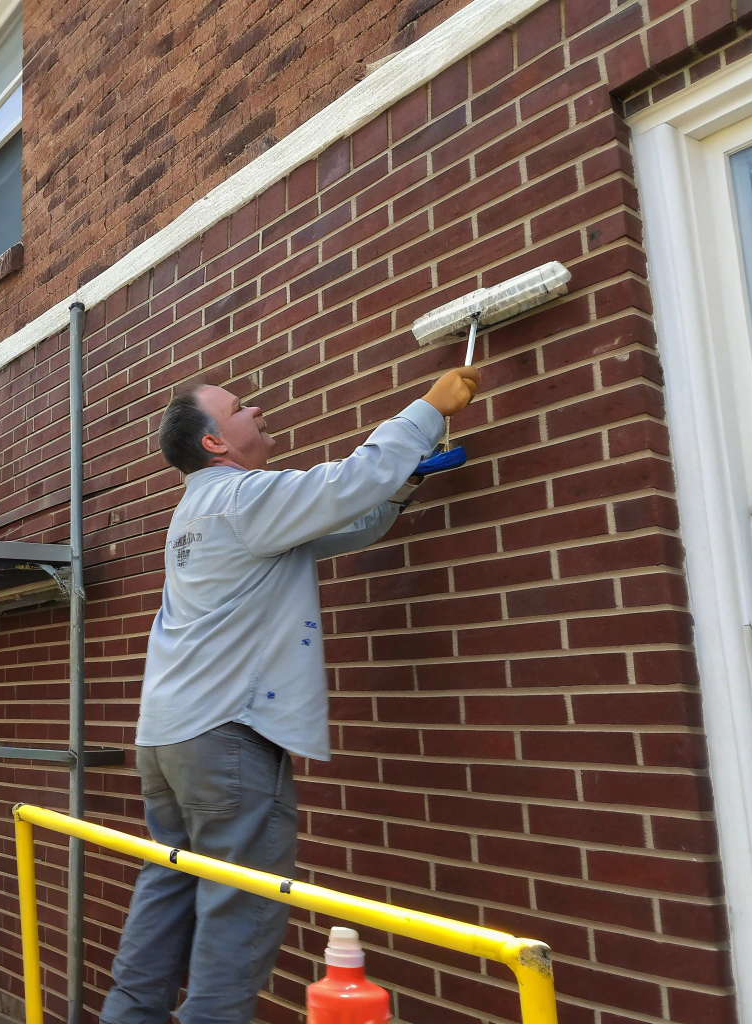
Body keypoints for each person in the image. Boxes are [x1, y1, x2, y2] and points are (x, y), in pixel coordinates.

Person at [99, 366, 482, 1024]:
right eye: (240, 407)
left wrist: (397, 489)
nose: (257, 410)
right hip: (225, 739)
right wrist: (427, 409)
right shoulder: (242, 498)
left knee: (168, 887)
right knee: (237, 911)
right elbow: (346, 483)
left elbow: (342, 525)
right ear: (215, 443)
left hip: (168, 739)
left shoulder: (201, 508)